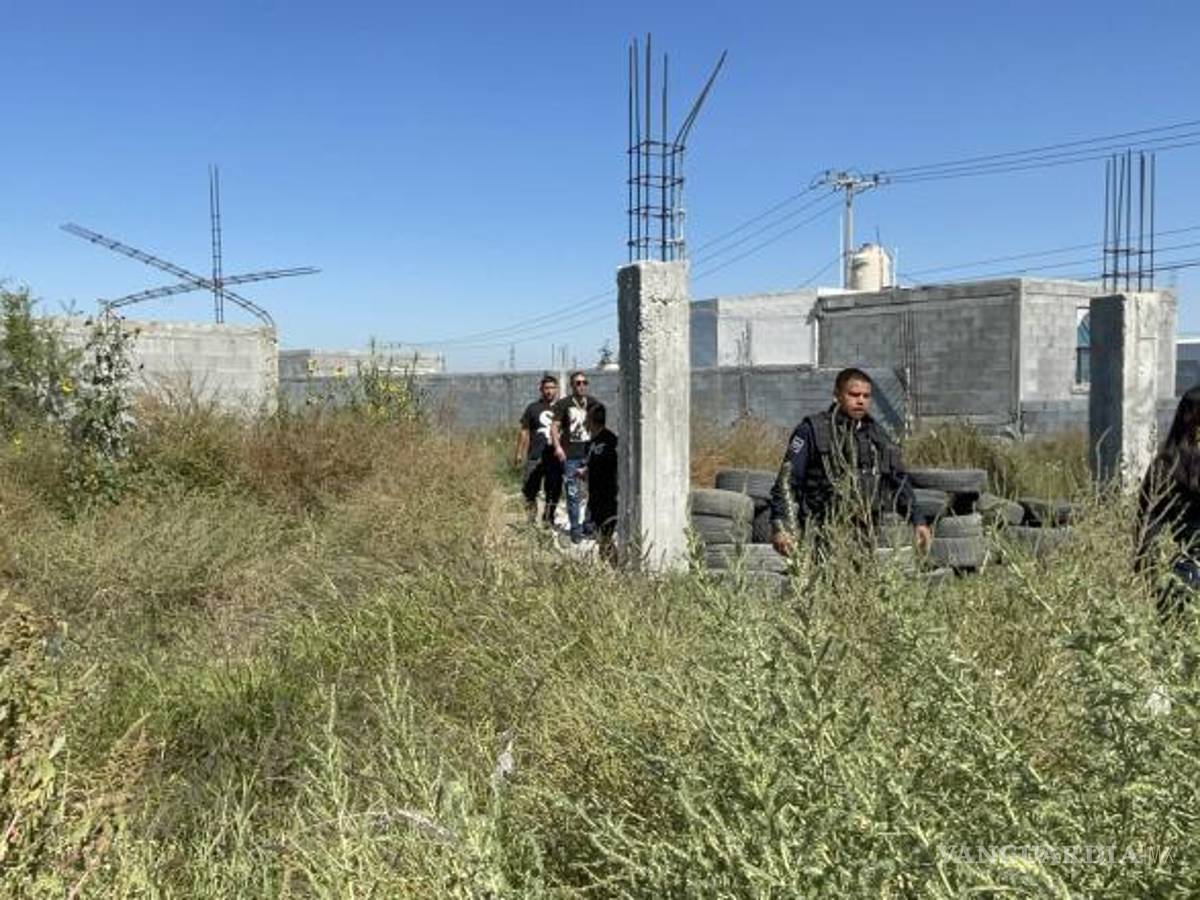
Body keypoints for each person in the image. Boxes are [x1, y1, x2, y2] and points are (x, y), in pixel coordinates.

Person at [769, 367, 932, 558]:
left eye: (866, 396)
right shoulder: (813, 431)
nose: (861, 400)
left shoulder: (879, 437)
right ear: (837, 396)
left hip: (864, 537)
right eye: (854, 394)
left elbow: (899, 482)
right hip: (820, 535)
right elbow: (787, 482)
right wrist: (780, 525)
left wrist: (918, 521)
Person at [1136, 385, 1200, 618]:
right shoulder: (1167, 467)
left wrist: (1150, 581)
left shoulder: (1164, 466)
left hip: (1184, 576)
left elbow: (1145, 533)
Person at [551, 370, 604, 543]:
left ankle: (588, 526)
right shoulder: (563, 404)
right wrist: (558, 447)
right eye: (577, 383)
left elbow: (600, 427)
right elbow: (554, 427)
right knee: (573, 494)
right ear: (572, 386)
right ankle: (575, 530)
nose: (581, 386)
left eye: (584, 382)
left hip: (590, 455)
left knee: (595, 492)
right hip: (571, 455)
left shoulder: (593, 403)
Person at [515, 373, 563, 526]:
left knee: (553, 490)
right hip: (535, 456)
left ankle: (548, 518)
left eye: (552, 388)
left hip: (554, 457)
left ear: (556, 389)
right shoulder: (532, 408)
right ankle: (530, 519)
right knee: (529, 490)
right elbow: (524, 431)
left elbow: (569, 432)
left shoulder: (563, 408)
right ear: (541, 389)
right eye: (546, 388)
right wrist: (519, 453)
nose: (549, 391)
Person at [579, 404, 618, 564]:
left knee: (605, 537)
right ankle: (610, 569)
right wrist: (584, 472)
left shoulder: (611, 441)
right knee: (600, 538)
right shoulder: (590, 444)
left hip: (609, 497)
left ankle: (616, 569)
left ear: (590, 420)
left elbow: (614, 468)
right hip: (594, 497)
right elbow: (592, 467)